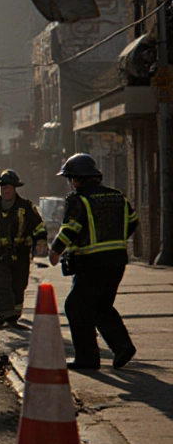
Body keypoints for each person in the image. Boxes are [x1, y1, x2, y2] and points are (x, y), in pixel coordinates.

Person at [48, 153, 139, 370]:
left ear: (77, 179)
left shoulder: (78, 200)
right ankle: (123, 347)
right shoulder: (117, 196)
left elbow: (70, 229)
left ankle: (87, 358)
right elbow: (133, 222)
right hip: (117, 261)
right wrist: (115, 239)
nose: (70, 184)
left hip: (92, 262)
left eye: (71, 179)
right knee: (101, 306)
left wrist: (55, 251)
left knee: (76, 307)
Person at [0, 169, 47, 328]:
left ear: (14, 188)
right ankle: (4, 313)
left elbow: (38, 226)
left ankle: (13, 317)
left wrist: (41, 241)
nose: (5, 190)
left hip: (20, 253)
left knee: (19, 285)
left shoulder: (25, 206)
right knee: (0, 283)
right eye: (2, 187)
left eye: (8, 187)